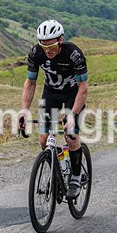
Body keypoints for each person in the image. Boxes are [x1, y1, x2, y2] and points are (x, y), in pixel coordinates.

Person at [18, 20, 89, 198]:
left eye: (51, 46)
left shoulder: (74, 54)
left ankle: (75, 176)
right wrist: (24, 110)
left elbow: (83, 87)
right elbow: (31, 83)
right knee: (43, 140)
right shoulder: (36, 53)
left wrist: (72, 114)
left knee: (71, 136)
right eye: (44, 46)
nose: (47, 50)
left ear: (60, 40)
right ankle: (58, 166)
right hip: (51, 94)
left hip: (73, 94)